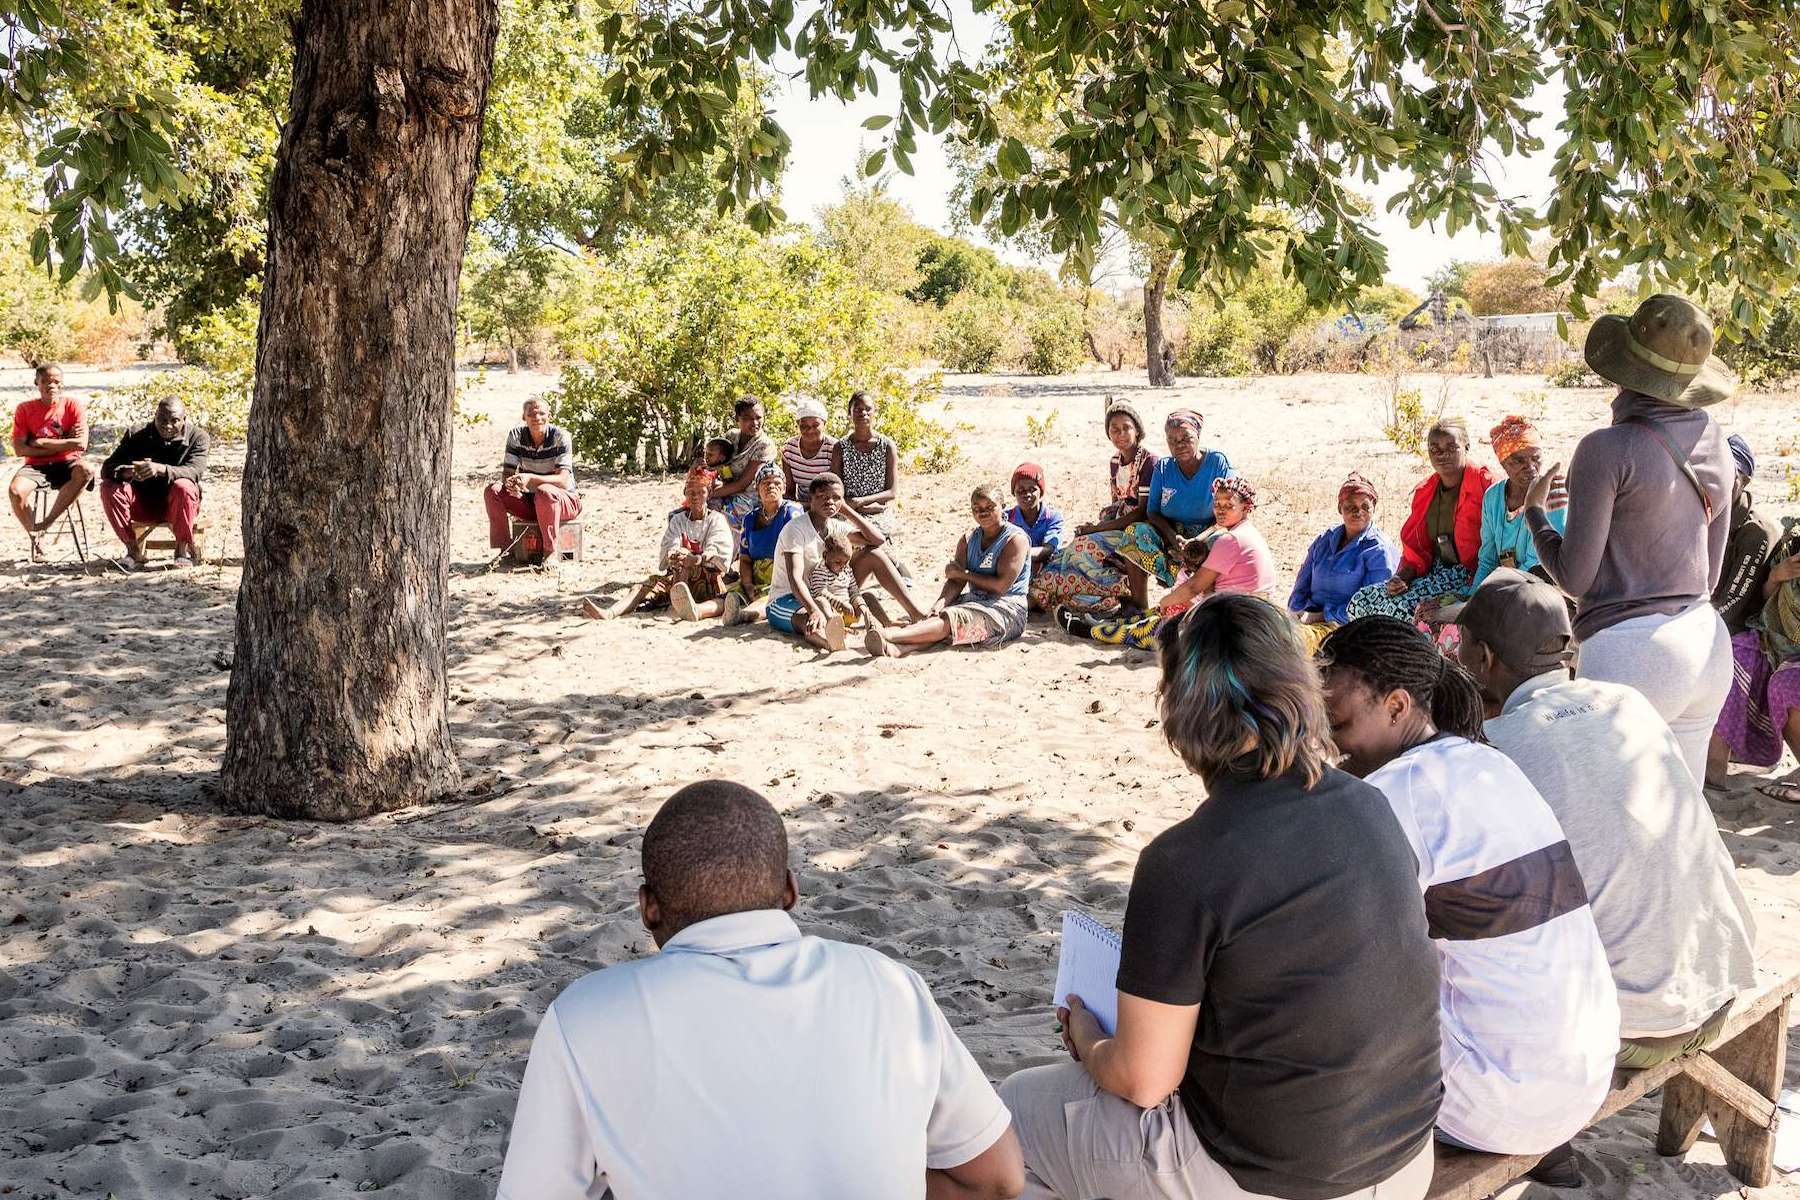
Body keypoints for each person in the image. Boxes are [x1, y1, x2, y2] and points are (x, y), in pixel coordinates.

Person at [999, 595, 1442, 1200]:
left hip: (1270, 1179)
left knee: (1007, 1118)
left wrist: (1087, 1039)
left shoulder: (1186, 859)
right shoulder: (1370, 804)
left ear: (1179, 714)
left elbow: (1144, 1080)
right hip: (1403, 1158)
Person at [496, 780, 1024, 1200]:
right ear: (790, 890)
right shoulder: (891, 984)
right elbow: (999, 1178)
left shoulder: (584, 1018)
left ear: (647, 906)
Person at [1319, 616, 1619, 1176]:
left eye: (1337, 721)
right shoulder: (1487, 761)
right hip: (1584, 1075)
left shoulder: (1394, 793)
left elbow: (1334, 959)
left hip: (1500, 1104)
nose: (1331, 741)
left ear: (1397, 706)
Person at [1446, 569, 1756, 1088]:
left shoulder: (1498, 748)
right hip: (1720, 989)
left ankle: (1550, 1146)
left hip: (1636, 1029)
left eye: (1462, 644)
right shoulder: (1627, 702)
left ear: (1484, 659)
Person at [1525, 294, 1737, 786]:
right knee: (1683, 818)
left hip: (1633, 652)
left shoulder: (1606, 448)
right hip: (1704, 642)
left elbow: (1575, 579)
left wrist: (1536, 515)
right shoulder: (1715, 439)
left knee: (1619, 812)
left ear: (1626, 370)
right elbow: (1710, 574)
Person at [1030, 409, 1226, 615]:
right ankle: (1124, 603)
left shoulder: (1158, 461)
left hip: (1197, 531)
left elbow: (1142, 512)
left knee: (1088, 546)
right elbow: (1138, 508)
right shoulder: (1138, 464)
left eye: (1186, 438)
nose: (1179, 445)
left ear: (1138, 430)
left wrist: (1098, 528)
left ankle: (1123, 594)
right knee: (1085, 546)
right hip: (1159, 530)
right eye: (1114, 430)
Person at [1056, 475, 1275, 653]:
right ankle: (1104, 624)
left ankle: (1089, 631)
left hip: (1232, 622)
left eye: (1229, 505)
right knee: (1159, 612)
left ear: (1245, 508)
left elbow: (1193, 587)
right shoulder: (1247, 534)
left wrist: (1165, 601)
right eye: (1217, 504)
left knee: (1152, 627)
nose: (1220, 510)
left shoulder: (1231, 540)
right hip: (1250, 615)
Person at [1346, 418, 1493, 623]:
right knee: (1359, 601)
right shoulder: (1427, 491)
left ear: (1466, 447)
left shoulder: (1488, 486)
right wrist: (1403, 577)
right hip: (1434, 569)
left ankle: (1404, 653)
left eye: (1451, 447)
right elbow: (1417, 549)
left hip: (1470, 573)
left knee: (1398, 610)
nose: (1443, 455)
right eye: (1435, 449)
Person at [868, 484, 1030, 657]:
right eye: (977, 509)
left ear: (1002, 506)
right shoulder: (968, 540)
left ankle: (889, 635)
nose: (983, 513)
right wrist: (941, 602)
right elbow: (955, 581)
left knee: (952, 619)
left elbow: (1001, 586)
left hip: (1007, 609)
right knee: (939, 616)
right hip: (975, 600)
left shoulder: (1015, 540)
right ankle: (899, 649)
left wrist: (963, 574)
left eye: (989, 508)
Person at [766, 472, 922, 651]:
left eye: (835, 497)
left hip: (827, 593)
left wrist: (846, 510)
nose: (829, 502)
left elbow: (877, 540)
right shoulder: (795, 529)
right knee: (811, 621)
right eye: (823, 497)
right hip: (789, 599)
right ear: (812, 499)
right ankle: (831, 642)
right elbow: (795, 578)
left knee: (874, 554)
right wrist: (813, 609)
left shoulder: (835, 526)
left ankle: (915, 614)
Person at [1710, 532, 1800, 798]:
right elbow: (1768, 600)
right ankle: (1713, 771)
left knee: (1786, 684)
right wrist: (1776, 576)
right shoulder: (1791, 549)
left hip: (1792, 653)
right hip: (1773, 638)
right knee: (1735, 655)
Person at [586, 466, 733, 620]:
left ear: (708, 494)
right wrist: (673, 555)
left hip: (707, 580)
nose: (695, 496)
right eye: (690, 492)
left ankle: (687, 608)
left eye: (700, 492)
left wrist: (696, 559)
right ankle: (610, 613)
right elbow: (671, 544)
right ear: (685, 494)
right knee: (641, 587)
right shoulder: (678, 520)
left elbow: (715, 551)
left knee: (720, 597)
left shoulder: (716, 519)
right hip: (678, 575)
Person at [1287, 472, 1398, 653]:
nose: (1358, 512)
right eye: (1350, 506)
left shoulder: (1378, 550)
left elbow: (1371, 606)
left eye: (1365, 506)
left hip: (1348, 627)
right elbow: (1302, 582)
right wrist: (1295, 611)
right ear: (1340, 508)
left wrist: (1324, 615)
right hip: (1310, 619)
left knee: (1292, 647)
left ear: (1374, 507)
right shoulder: (1326, 538)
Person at [98, 397, 210, 568]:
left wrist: (161, 469)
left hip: (178, 505)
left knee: (184, 486)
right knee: (108, 487)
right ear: (155, 416)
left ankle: (181, 551)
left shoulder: (198, 438)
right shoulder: (136, 434)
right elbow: (107, 468)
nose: (168, 425)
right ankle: (133, 551)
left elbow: (195, 471)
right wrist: (127, 472)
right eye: (162, 420)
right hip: (142, 503)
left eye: (175, 421)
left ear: (184, 420)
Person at [9, 363, 93, 560]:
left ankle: (46, 523)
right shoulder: (25, 409)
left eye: (56, 382)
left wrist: (40, 442)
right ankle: (34, 535)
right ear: (37, 383)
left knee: (86, 471)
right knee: (15, 491)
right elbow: (20, 449)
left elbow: (81, 444)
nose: (51, 386)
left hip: (67, 464)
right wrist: (65, 443)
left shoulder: (73, 405)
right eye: (45, 381)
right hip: (36, 466)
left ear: (62, 384)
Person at [1472, 415, 1566, 589]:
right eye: (1519, 461)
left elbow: (1534, 566)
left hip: (1540, 586)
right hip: (1504, 585)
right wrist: (1473, 596)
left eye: (1536, 458)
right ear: (1503, 463)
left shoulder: (1552, 496)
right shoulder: (1492, 497)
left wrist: (1490, 596)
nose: (1530, 467)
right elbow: (1487, 560)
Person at [484, 397, 581, 565]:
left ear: (549, 416)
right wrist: (512, 485)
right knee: (493, 491)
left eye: (542, 413)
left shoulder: (561, 437)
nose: (537, 418)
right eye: (532, 414)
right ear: (524, 417)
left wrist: (529, 479)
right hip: (532, 502)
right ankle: (505, 550)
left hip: (563, 501)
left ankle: (549, 553)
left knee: (545, 491)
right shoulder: (516, 436)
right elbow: (507, 472)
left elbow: (563, 481)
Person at [1712, 434, 1786, 635]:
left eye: (1731, 474)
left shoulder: (1755, 533)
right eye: (1717, 470)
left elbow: (1731, 605)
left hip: (1741, 628)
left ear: (1745, 481)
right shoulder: (1713, 515)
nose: (1720, 480)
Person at [722, 463, 803, 626]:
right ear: (757, 489)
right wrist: (748, 584)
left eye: (776, 483)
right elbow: (745, 559)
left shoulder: (792, 512)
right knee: (730, 595)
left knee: (769, 599)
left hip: (782, 575)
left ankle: (742, 615)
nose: (771, 486)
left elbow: (795, 554)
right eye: (765, 482)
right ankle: (697, 609)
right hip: (754, 576)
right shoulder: (749, 518)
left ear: (784, 488)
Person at [832, 390, 902, 543]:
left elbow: (892, 492)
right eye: (857, 409)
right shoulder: (840, 447)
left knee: (876, 537)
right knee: (839, 536)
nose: (863, 413)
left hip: (878, 512)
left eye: (868, 409)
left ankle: (896, 565)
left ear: (874, 412)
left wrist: (862, 501)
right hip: (848, 510)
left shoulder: (887, 446)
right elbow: (835, 488)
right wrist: (854, 505)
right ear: (849, 414)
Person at [710, 396, 777, 540]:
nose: (754, 423)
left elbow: (743, 484)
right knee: (694, 511)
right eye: (747, 418)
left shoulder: (764, 445)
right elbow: (718, 463)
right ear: (737, 418)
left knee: (719, 521)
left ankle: (722, 558)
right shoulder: (731, 436)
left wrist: (710, 493)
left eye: (758, 417)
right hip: (727, 489)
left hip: (749, 497)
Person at [1005, 462, 1067, 573]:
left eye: (1032, 489)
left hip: (1045, 573)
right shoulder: (1006, 518)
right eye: (1021, 490)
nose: (1026, 494)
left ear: (1041, 492)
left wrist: (1017, 554)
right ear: (1014, 492)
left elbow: (1048, 550)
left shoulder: (1052, 518)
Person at [782, 397, 837, 501]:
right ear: (798, 425)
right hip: (802, 503)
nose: (810, 430)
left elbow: (836, 489)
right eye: (804, 426)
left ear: (824, 424)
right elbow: (789, 491)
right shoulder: (789, 449)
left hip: (827, 503)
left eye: (815, 425)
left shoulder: (834, 448)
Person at [806, 532, 866, 625]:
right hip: (833, 612)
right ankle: (833, 625)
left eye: (846, 562)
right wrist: (841, 603)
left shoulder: (847, 570)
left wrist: (859, 604)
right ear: (825, 555)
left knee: (867, 597)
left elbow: (853, 590)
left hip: (849, 612)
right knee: (820, 601)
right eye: (838, 562)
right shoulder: (821, 571)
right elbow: (820, 592)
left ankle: (875, 623)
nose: (842, 566)